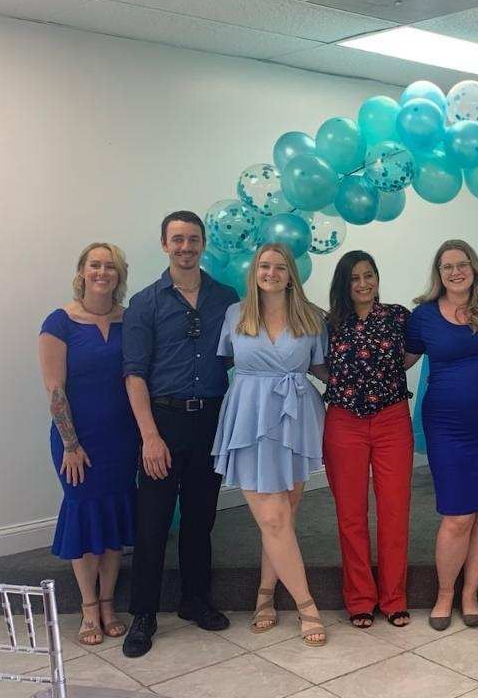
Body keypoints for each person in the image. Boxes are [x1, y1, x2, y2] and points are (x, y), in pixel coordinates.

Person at [120, 211, 238, 658]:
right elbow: (134, 374)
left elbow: (239, 354)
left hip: (210, 421)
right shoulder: (145, 303)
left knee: (200, 517)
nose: (185, 247)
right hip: (162, 423)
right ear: (165, 244)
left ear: (203, 243)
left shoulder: (226, 298)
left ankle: (195, 600)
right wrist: (150, 437)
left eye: (192, 239)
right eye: (177, 239)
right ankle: (144, 614)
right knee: (152, 523)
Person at [211, 244, 328, 646]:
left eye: (280, 267)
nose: (271, 273)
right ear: (254, 271)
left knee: (282, 517)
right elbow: (223, 362)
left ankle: (265, 594)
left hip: (296, 418)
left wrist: (368, 387)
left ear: (291, 274)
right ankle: (307, 606)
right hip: (249, 417)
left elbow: (320, 367)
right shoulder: (235, 314)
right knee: (274, 518)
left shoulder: (311, 317)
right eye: (264, 266)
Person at [405, 239, 478, 630]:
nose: (456, 272)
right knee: (456, 515)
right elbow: (400, 361)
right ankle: (445, 593)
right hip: (448, 426)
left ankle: (470, 594)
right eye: (447, 266)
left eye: (462, 264)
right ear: (439, 273)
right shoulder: (424, 315)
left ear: (474, 268)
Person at [38, 243, 138, 646]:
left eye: (110, 266)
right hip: (76, 442)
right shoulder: (59, 321)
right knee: (84, 513)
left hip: (122, 438)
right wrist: (71, 444)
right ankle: (89, 607)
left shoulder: (129, 320)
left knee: (113, 517)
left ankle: (109, 603)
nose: (102, 272)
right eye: (95, 265)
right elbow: (55, 388)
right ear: (82, 271)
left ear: (120, 274)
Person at [322, 250, 414, 630]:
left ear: (377, 277)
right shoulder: (329, 324)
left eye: (368, 275)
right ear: (344, 284)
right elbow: (317, 363)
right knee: (351, 515)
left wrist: (379, 380)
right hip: (344, 422)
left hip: (392, 419)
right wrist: (345, 384)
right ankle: (360, 598)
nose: (363, 283)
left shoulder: (398, 317)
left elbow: (409, 356)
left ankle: (394, 598)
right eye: (354, 278)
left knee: (394, 512)